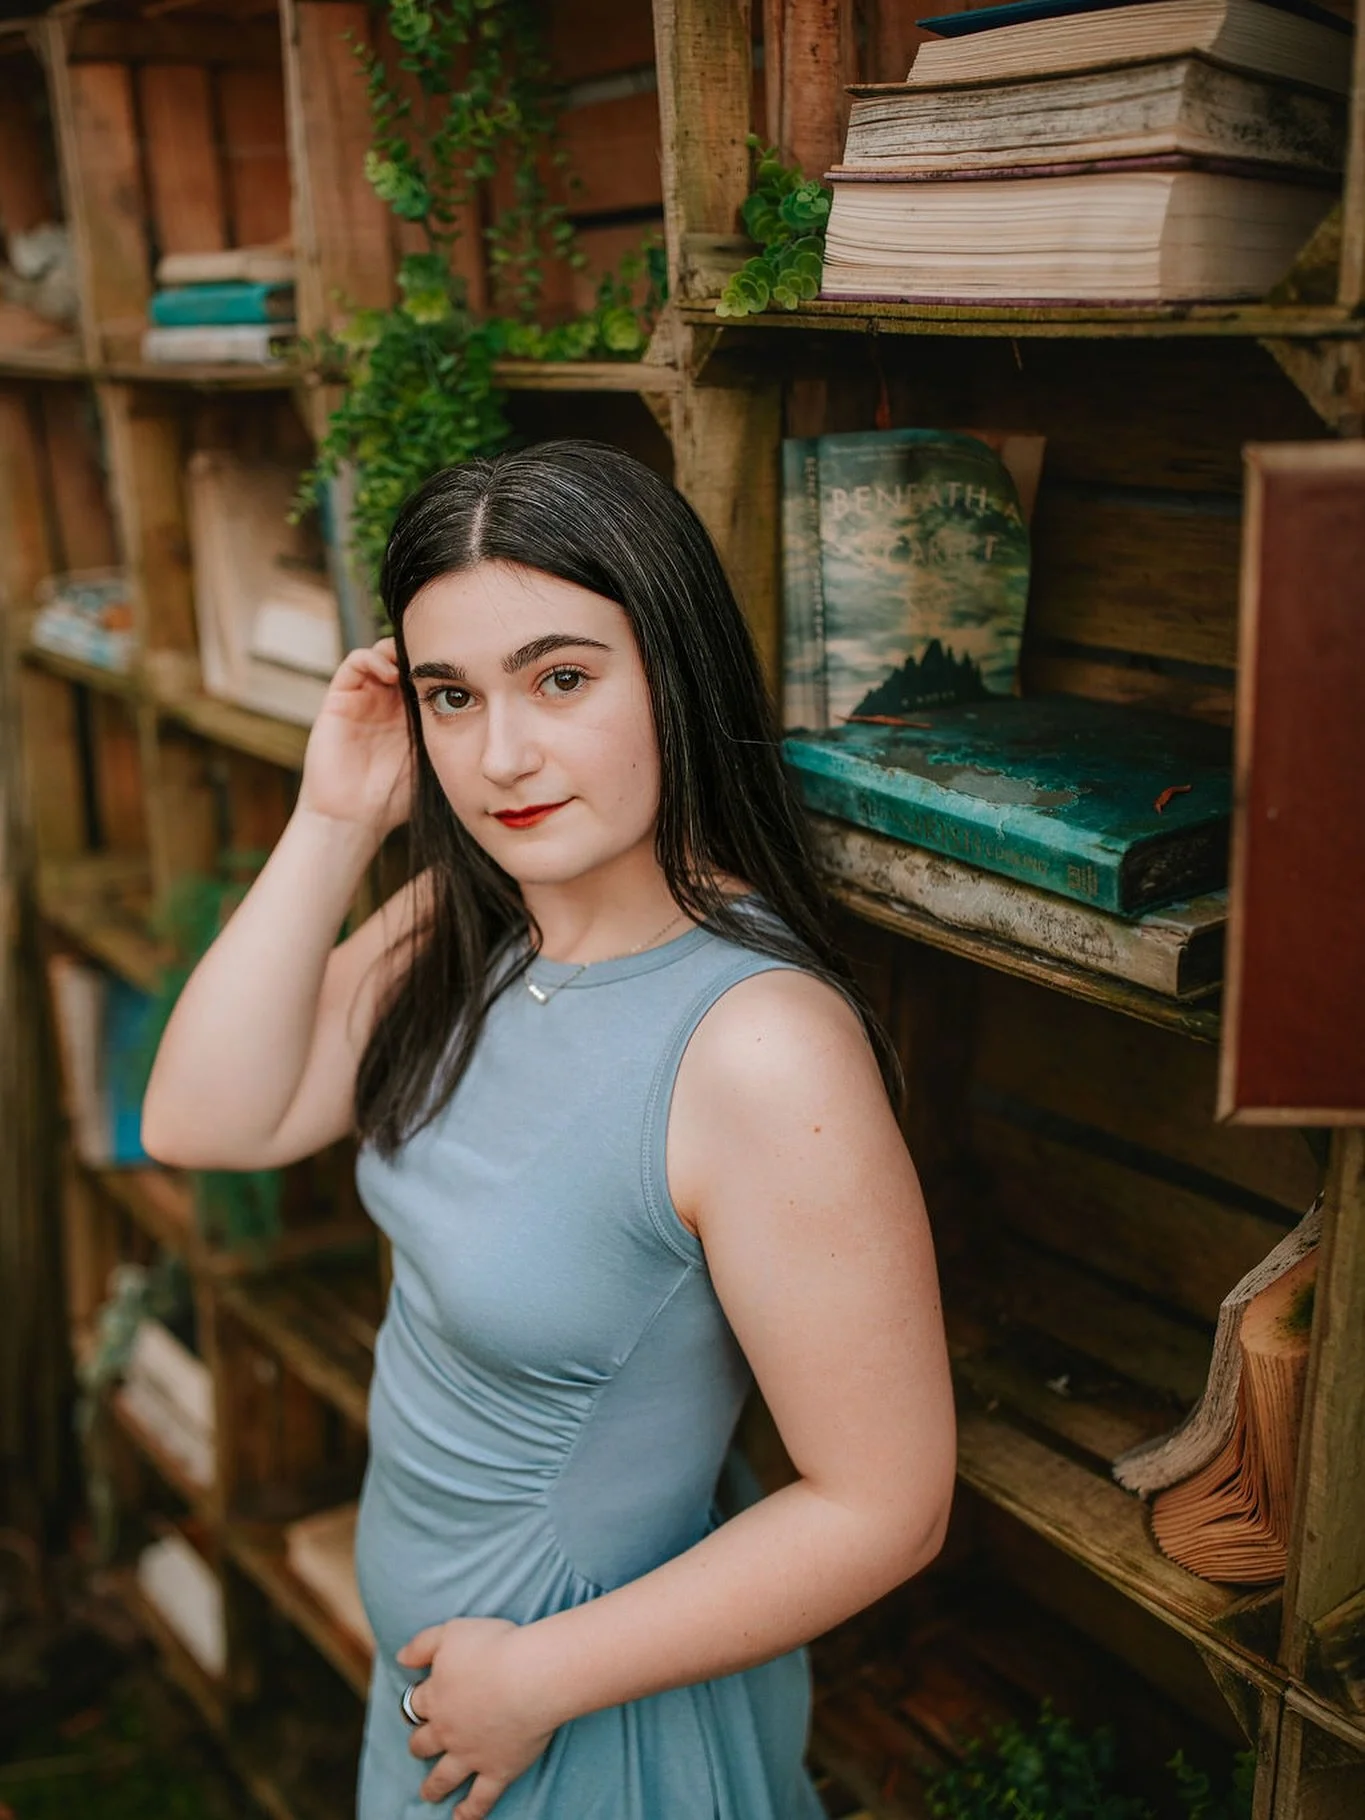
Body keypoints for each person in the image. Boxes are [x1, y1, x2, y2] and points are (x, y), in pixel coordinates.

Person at [141, 439, 956, 1820]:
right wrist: (338, 814)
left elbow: (890, 1502)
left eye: (561, 679)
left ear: (675, 676)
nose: (500, 753)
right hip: (448, 1705)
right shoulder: (474, 927)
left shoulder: (754, 1048)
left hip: (580, 1717)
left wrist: (538, 1680)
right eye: (451, 696)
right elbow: (205, 1120)